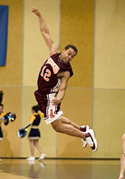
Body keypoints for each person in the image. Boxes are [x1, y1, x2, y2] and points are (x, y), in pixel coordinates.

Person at [31, 6, 97, 152]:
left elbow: (63, 88)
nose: (70, 57)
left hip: (50, 97)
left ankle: (85, 135)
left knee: (57, 126)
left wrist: (59, 99)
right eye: (69, 53)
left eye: (73, 56)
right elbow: (45, 32)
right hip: (42, 94)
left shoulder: (66, 71)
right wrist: (39, 15)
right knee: (59, 119)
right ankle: (82, 128)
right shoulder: (53, 52)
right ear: (64, 50)